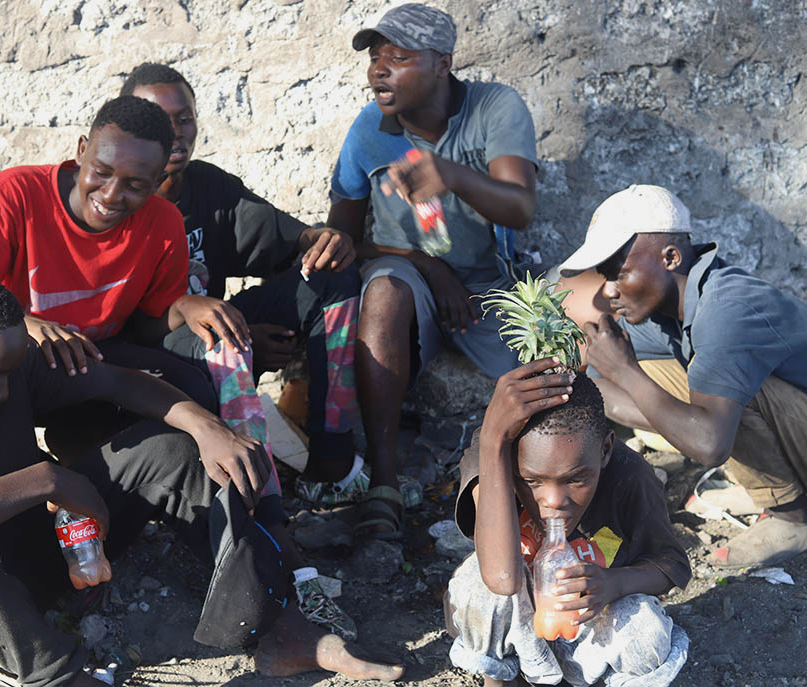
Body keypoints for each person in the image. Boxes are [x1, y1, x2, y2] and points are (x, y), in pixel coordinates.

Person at [0, 96, 358, 640]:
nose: (111, 195)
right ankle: (50, 522)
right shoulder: (17, 194)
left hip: (96, 360)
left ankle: (245, 532)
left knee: (194, 382)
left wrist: (184, 307)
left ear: (159, 179)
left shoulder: (162, 222)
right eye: (100, 174)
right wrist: (27, 324)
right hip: (16, 362)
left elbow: (150, 323)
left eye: (134, 184)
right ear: (81, 152)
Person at [0, 263, 404, 686]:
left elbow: (120, 383)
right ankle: (63, 676)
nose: (2, 392)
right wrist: (45, 479)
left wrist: (205, 424)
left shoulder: (4, 364)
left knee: (170, 447)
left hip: (48, 559)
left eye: (7, 374)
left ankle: (276, 626)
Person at [326, 2, 551, 539]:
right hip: (408, 280)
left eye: (399, 57)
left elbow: (520, 207)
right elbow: (346, 241)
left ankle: (556, 507)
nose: (380, 69)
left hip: (488, 288)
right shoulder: (369, 131)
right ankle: (383, 484)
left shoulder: (493, 108)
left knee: (554, 388)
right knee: (382, 290)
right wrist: (426, 265)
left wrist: (450, 173)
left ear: (442, 63)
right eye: (376, 57)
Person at [561, 184, 807, 567]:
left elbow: (709, 444)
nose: (609, 291)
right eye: (605, 277)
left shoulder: (726, 312)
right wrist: (571, 381)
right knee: (669, 377)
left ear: (669, 257)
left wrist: (626, 371)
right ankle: (766, 480)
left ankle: (792, 518)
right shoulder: (669, 307)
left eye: (620, 273)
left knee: (725, 390)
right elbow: (605, 378)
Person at [118, 62, 370, 509]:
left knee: (332, 273)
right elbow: (121, 325)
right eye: (160, 121)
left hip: (215, 329)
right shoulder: (117, 200)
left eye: (185, 118)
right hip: (147, 354)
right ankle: (259, 500)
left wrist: (322, 238)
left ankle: (331, 464)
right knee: (221, 337)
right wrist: (241, 337)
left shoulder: (207, 187)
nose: (176, 133)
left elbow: (287, 239)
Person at [446, 359, 690, 686]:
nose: (554, 500)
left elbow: (671, 565)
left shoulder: (629, 477)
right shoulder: (493, 459)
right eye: (532, 481)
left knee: (645, 630)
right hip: (519, 633)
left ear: (605, 450)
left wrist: (612, 583)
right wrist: (492, 439)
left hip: (591, 635)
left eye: (575, 480)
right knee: (478, 586)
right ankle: (502, 680)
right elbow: (502, 580)